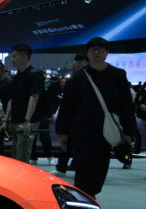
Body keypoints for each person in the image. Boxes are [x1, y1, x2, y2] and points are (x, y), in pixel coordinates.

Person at [56, 37, 136, 197]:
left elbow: (126, 105)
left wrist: (129, 131)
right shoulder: (78, 77)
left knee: (100, 168)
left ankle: (90, 195)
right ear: (88, 53)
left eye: (101, 50)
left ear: (107, 53)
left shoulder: (118, 75)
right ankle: (85, 199)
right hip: (83, 131)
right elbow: (67, 106)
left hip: (107, 132)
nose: (97, 53)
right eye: (93, 50)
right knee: (83, 168)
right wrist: (62, 132)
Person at [4, 43, 44, 163]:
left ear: (25, 57)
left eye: (15, 56)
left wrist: (27, 120)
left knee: (22, 154)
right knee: (15, 153)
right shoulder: (17, 76)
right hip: (16, 119)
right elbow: (12, 98)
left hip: (27, 121)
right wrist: (6, 119)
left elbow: (34, 98)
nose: (12, 59)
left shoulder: (34, 75)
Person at [55, 52, 89, 174]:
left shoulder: (93, 80)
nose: (78, 64)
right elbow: (66, 105)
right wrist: (61, 129)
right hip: (73, 120)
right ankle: (62, 166)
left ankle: (71, 165)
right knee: (67, 145)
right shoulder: (73, 80)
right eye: (77, 62)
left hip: (86, 121)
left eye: (80, 62)